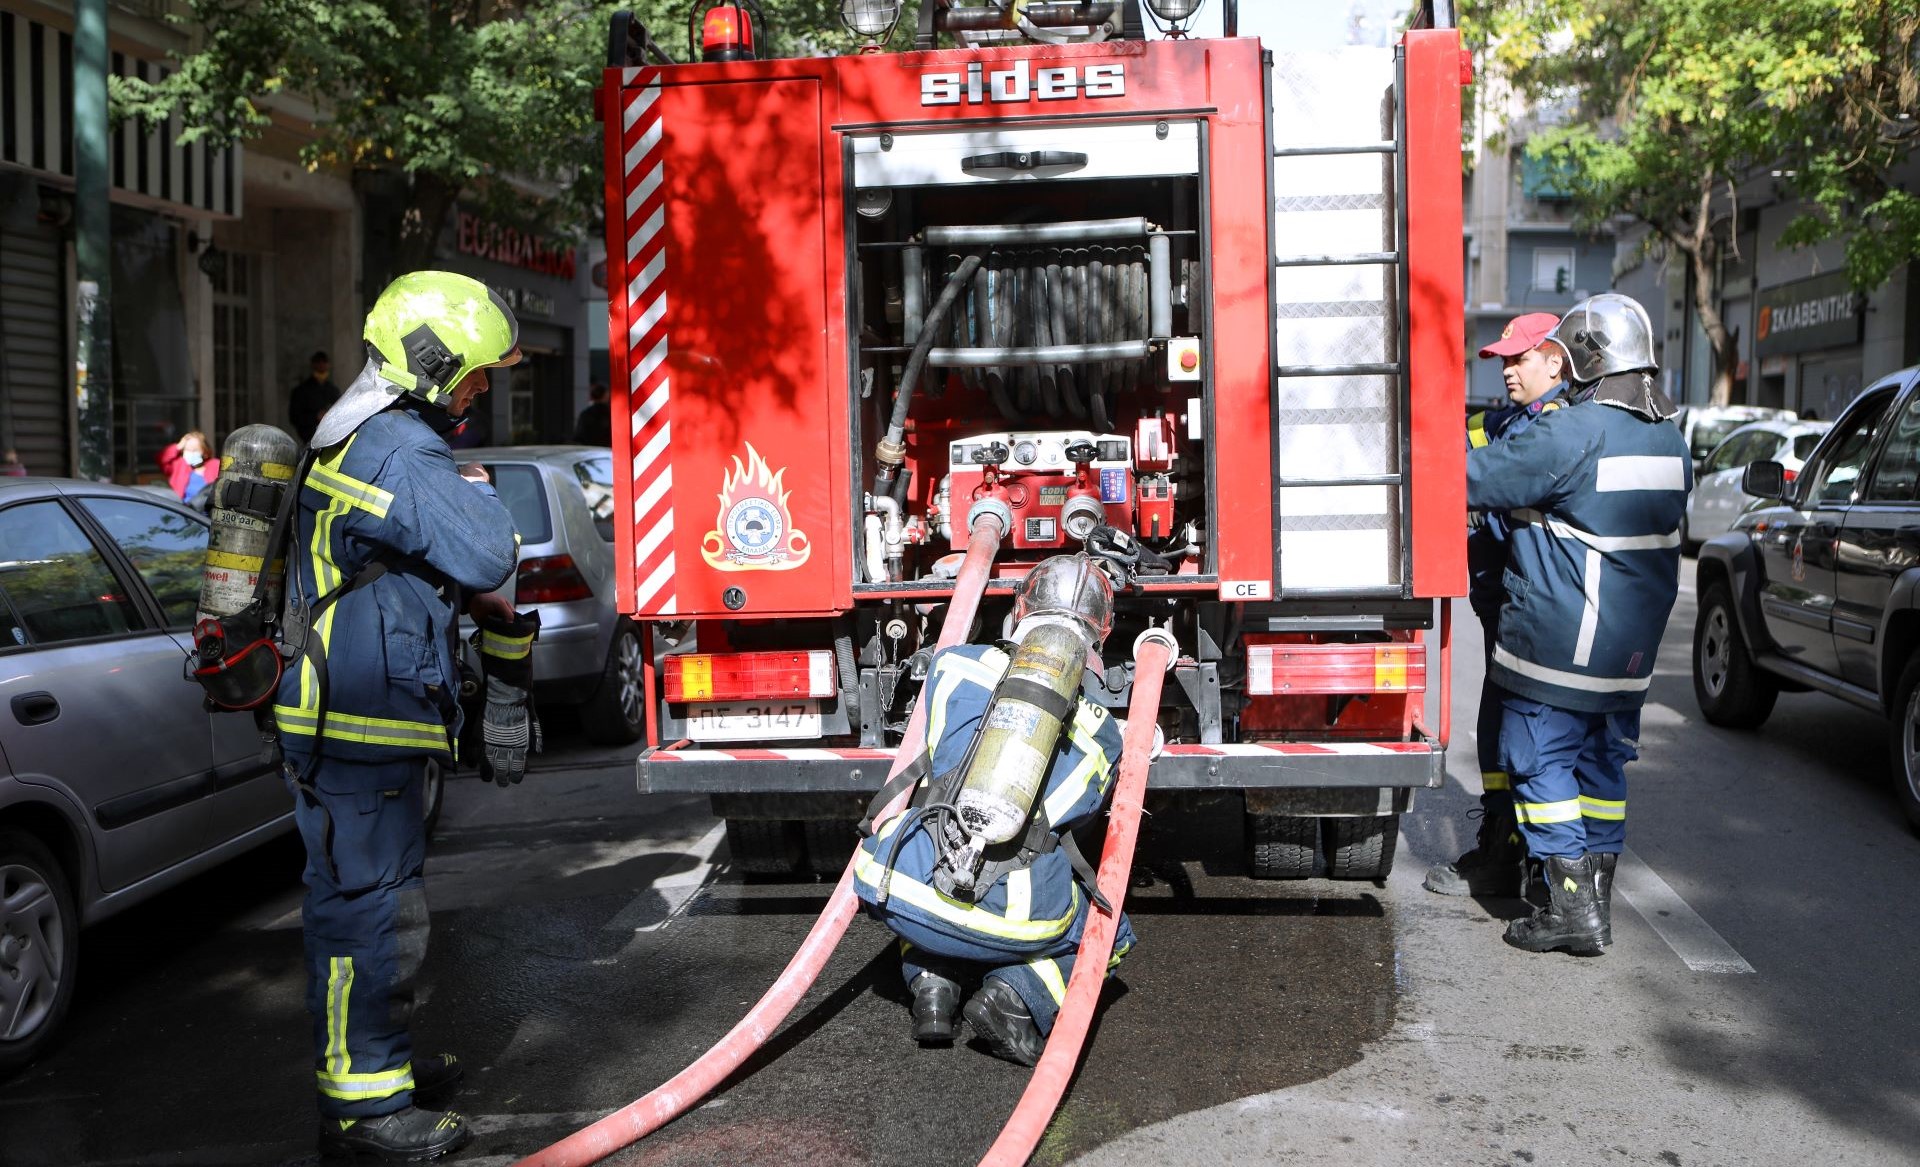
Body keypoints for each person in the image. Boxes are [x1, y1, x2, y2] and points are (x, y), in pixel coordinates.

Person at [273, 272, 532, 1160]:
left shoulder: (365, 436)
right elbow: (489, 550)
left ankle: (380, 1069)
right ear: (431, 363)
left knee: (369, 902)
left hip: (357, 717)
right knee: (367, 910)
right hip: (356, 723)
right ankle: (364, 1112)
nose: (483, 388)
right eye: (475, 373)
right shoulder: (395, 450)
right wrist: (483, 494)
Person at [1464, 292, 1690, 956]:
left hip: (1563, 641)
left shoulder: (1573, 430)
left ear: (1589, 356)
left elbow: (1472, 479)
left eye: (1567, 351)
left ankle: (1570, 906)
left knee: (1536, 760)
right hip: (1629, 652)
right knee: (1601, 768)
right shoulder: (1668, 437)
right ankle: (1597, 898)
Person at [852, 554, 1134, 1065]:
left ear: (1020, 610)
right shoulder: (1102, 732)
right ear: (1101, 634)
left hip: (907, 892)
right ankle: (1014, 997)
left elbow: (937, 746)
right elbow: (1081, 816)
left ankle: (932, 984)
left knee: (923, 844)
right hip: (1013, 920)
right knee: (1110, 930)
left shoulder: (953, 665)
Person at [1425, 313, 1567, 899]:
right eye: (1503, 361)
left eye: (1519, 360)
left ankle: (1510, 854)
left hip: (1528, 605)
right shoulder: (1516, 421)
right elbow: (1470, 433)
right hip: (1503, 605)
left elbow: (1495, 479)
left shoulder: (1557, 427)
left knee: (1520, 728)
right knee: (1502, 721)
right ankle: (1515, 848)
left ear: (1556, 362)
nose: (1507, 370)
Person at [289, 350, 338, 445]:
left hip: (330, 439)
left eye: (324, 362)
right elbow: (295, 417)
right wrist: (316, 416)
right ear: (313, 365)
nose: (322, 365)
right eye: (318, 362)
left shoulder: (333, 390)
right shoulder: (302, 390)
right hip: (309, 439)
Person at [157, 430, 220, 504]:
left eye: (194, 450)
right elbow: (162, 459)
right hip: (186, 511)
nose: (190, 453)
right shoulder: (178, 465)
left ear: (205, 452)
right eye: (187, 450)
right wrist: (177, 447)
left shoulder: (215, 465)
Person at [573, 381, 612, 445]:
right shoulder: (609, 414)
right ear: (605, 395)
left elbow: (579, 435)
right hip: (606, 449)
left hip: (589, 449)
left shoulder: (585, 413)